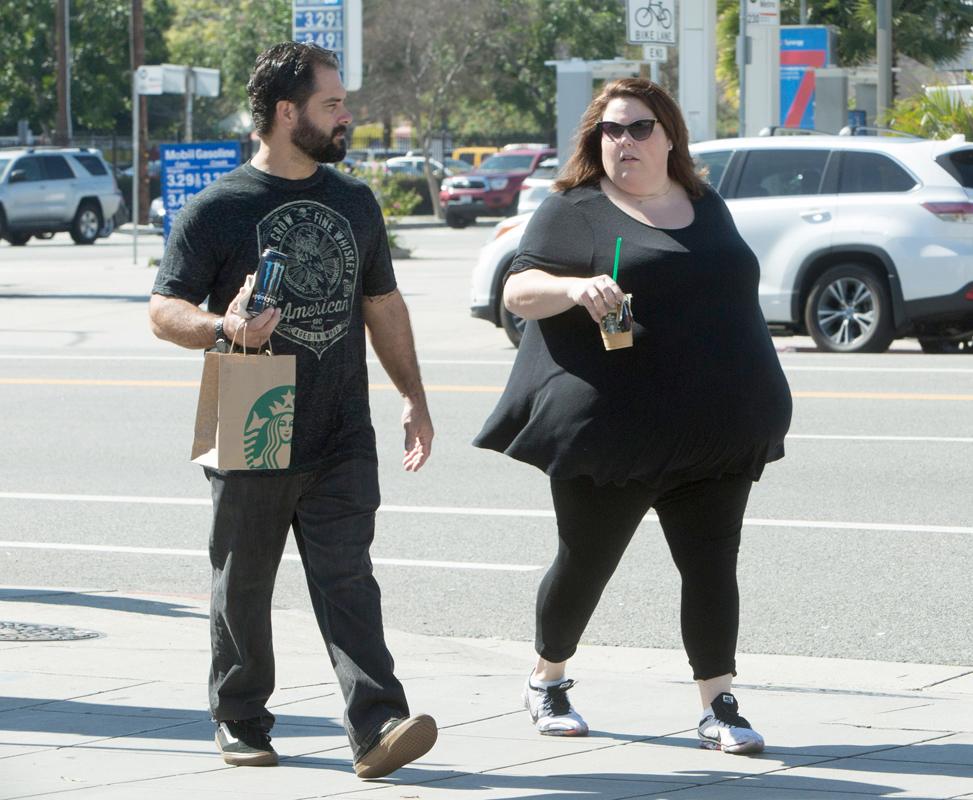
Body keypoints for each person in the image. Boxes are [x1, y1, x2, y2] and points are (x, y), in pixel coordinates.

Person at [474, 78, 792, 755]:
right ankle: (547, 678)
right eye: (610, 130)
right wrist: (571, 286)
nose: (623, 141)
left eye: (639, 127)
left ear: (669, 135)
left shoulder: (704, 205)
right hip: (611, 435)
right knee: (586, 562)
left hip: (712, 430)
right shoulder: (573, 209)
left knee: (711, 565)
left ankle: (718, 704)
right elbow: (518, 289)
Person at [148, 42, 437, 778]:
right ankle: (240, 717)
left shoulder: (354, 200)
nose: (346, 116)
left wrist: (413, 395)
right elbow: (163, 310)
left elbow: (382, 304)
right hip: (254, 408)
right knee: (242, 581)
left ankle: (378, 726)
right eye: (331, 104)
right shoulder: (220, 208)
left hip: (341, 423)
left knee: (348, 579)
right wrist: (222, 328)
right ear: (287, 113)